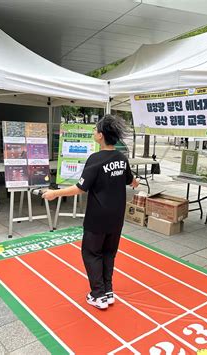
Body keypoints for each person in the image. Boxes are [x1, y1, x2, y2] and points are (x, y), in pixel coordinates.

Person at [42, 115, 139, 310]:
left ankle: (98, 295)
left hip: (97, 218)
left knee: (91, 253)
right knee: (109, 253)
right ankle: (108, 291)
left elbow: (80, 188)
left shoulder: (96, 159)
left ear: (101, 136)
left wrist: (54, 193)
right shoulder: (121, 158)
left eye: (95, 130)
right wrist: (134, 182)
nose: (94, 133)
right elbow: (132, 181)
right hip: (116, 217)